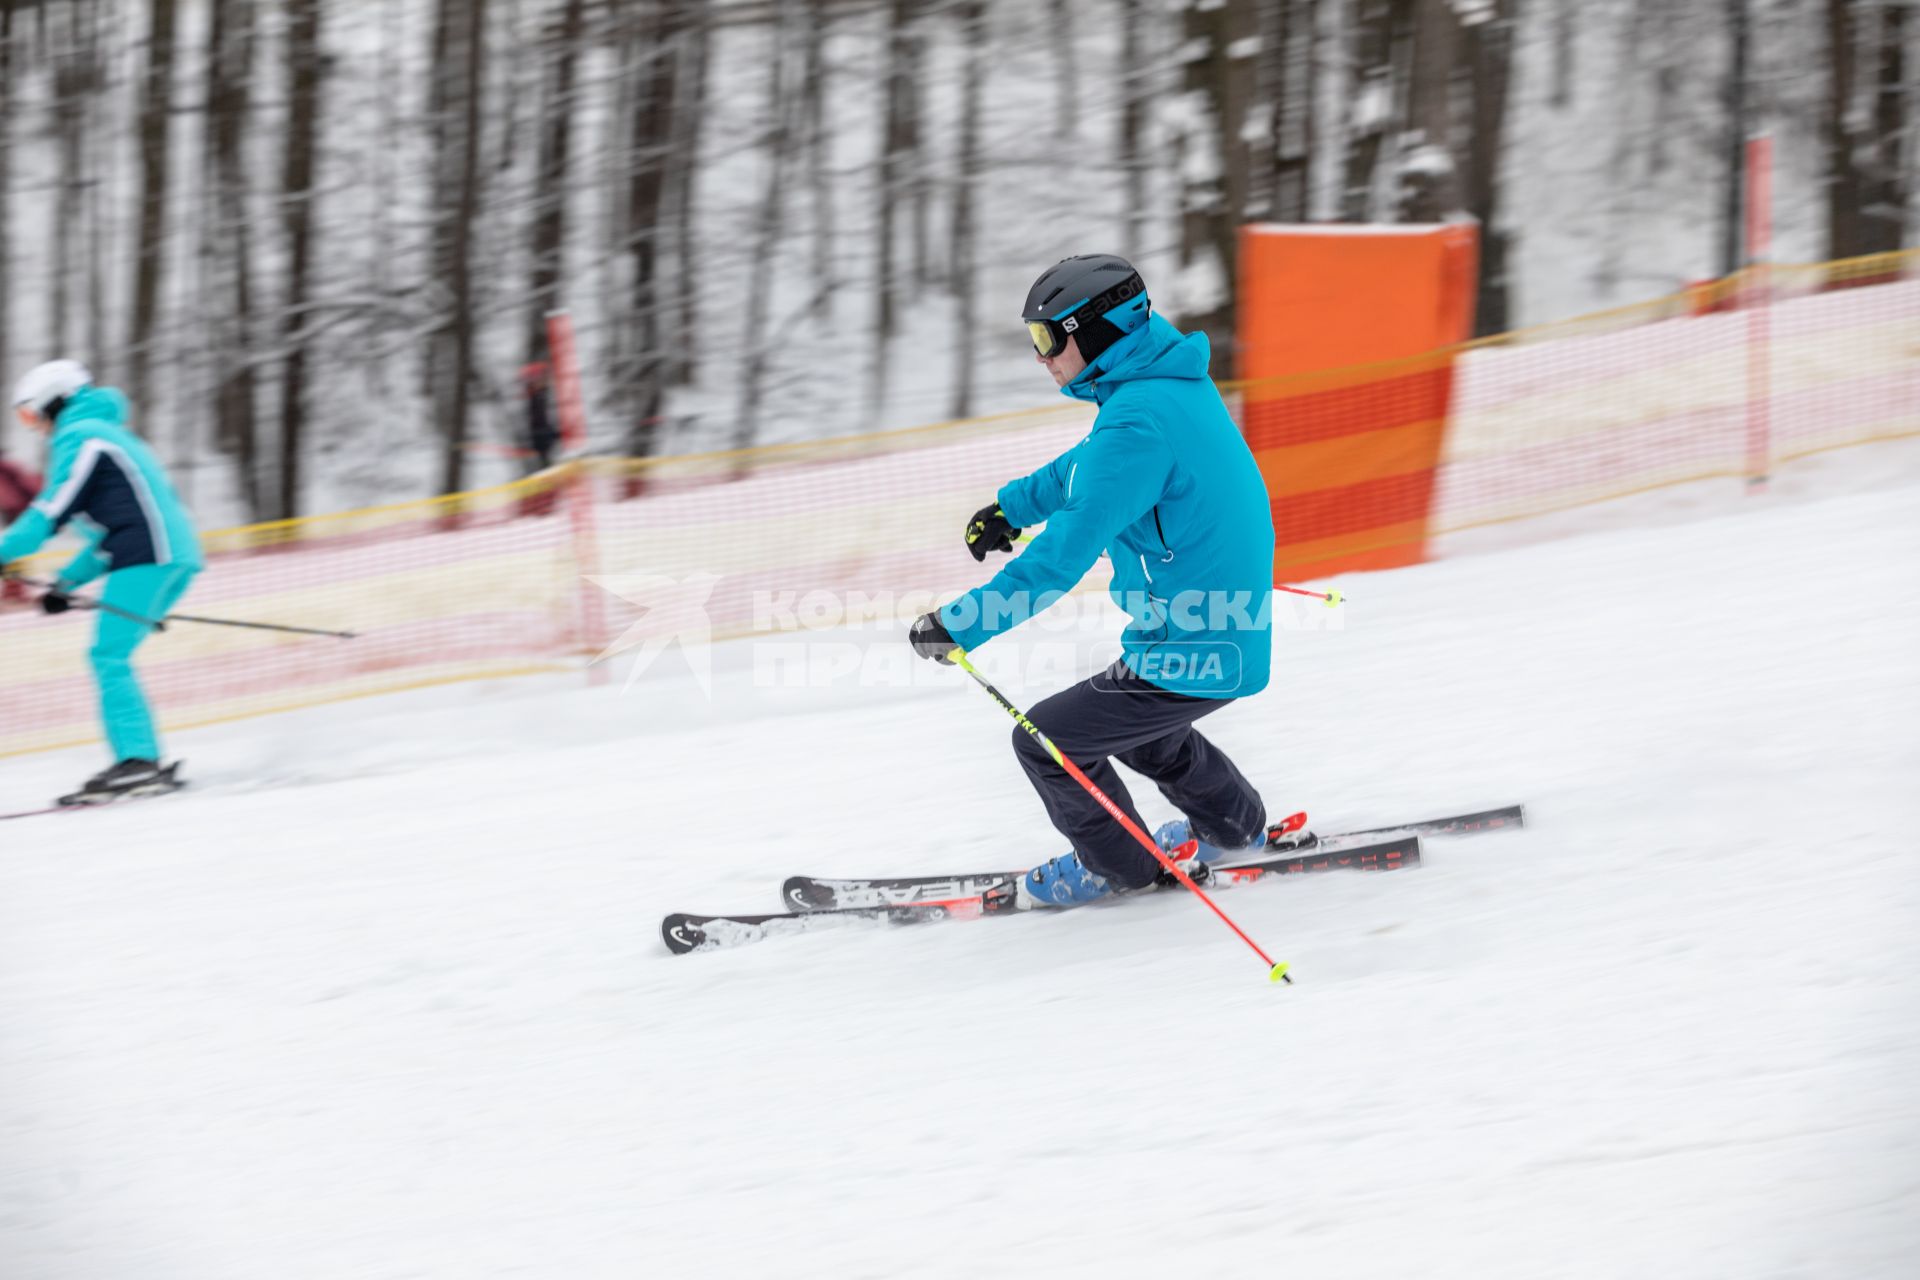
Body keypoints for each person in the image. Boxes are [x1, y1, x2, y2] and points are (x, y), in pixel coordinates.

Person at [908, 254, 1276, 908]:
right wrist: (1012, 507)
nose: (1042, 357)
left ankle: (1119, 867)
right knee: (1148, 737)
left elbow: (1058, 561)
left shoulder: (1137, 420)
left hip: (1197, 646)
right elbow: (1088, 468)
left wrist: (957, 625)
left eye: (1050, 339)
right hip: (1216, 637)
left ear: (1097, 330)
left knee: (1046, 742)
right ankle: (1235, 826)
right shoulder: (1164, 389)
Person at [0, 360, 204, 803]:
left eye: (31, 415)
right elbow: (110, 534)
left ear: (55, 401)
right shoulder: (106, 435)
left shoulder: (83, 435)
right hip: (166, 555)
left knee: (108, 654)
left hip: (151, 555)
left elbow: (49, 513)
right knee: (112, 654)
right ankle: (139, 759)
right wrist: (65, 582)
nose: (35, 428)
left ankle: (138, 764)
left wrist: (4, 551)